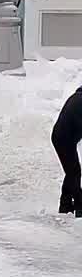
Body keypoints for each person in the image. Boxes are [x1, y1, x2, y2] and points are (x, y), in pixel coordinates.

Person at [51, 86, 82, 215]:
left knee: (72, 171)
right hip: (64, 139)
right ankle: (80, 206)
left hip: (62, 137)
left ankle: (65, 205)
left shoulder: (77, 97)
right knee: (74, 172)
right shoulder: (80, 102)